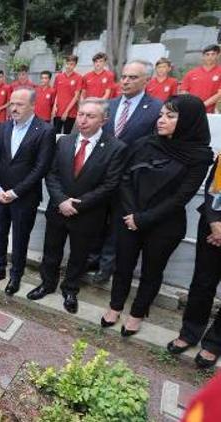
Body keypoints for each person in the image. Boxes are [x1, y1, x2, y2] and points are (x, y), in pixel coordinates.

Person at [102, 95, 214, 337]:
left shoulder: (199, 156)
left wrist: (143, 219)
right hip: (129, 218)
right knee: (123, 266)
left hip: (164, 225)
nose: (161, 120)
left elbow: (180, 198)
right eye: (161, 114)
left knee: (152, 272)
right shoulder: (145, 144)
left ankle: (137, 314)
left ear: (188, 121)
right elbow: (124, 178)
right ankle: (115, 306)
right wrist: (132, 214)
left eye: (170, 116)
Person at [30, 98, 126, 314]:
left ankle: (71, 289)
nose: (83, 120)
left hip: (88, 214)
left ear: (104, 120)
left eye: (90, 116)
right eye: (81, 114)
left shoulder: (116, 148)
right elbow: (51, 174)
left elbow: (110, 185)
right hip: (58, 209)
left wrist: (78, 205)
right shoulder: (64, 141)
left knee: (79, 255)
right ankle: (47, 283)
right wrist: (61, 200)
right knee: (51, 250)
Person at [91, 60, 163, 284]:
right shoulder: (108, 105)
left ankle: (106, 266)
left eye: (132, 77)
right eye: (124, 76)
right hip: (102, 175)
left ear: (146, 81)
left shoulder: (156, 109)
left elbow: (156, 145)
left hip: (131, 179)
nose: (126, 81)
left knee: (117, 225)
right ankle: (91, 258)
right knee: (96, 218)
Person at [0, 87, 56, 295]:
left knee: (20, 239)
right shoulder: (3, 128)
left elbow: (40, 168)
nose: (13, 108)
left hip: (24, 197)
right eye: (12, 103)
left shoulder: (44, 130)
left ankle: (16, 276)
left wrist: (14, 192)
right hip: (0, 194)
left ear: (33, 105)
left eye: (19, 104)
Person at [167, 154, 221, 369]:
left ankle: (215, 342)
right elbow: (212, 188)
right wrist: (215, 223)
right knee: (202, 282)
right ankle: (190, 332)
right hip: (212, 226)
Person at [180, 44, 221, 113]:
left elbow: (220, 94)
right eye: (207, 54)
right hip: (191, 110)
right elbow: (183, 92)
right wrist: (191, 105)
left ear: (217, 56)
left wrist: (202, 105)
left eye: (213, 54)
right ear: (203, 57)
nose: (210, 57)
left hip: (210, 112)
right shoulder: (191, 73)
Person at [52, 55, 82, 134]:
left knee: (66, 135)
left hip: (70, 113)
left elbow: (76, 97)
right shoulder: (59, 77)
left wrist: (66, 112)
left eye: (71, 64)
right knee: (55, 134)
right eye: (68, 63)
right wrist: (54, 106)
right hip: (58, 111)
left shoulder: (78, 77)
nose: (69, 66)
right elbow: (56, 93)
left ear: (75, 65)